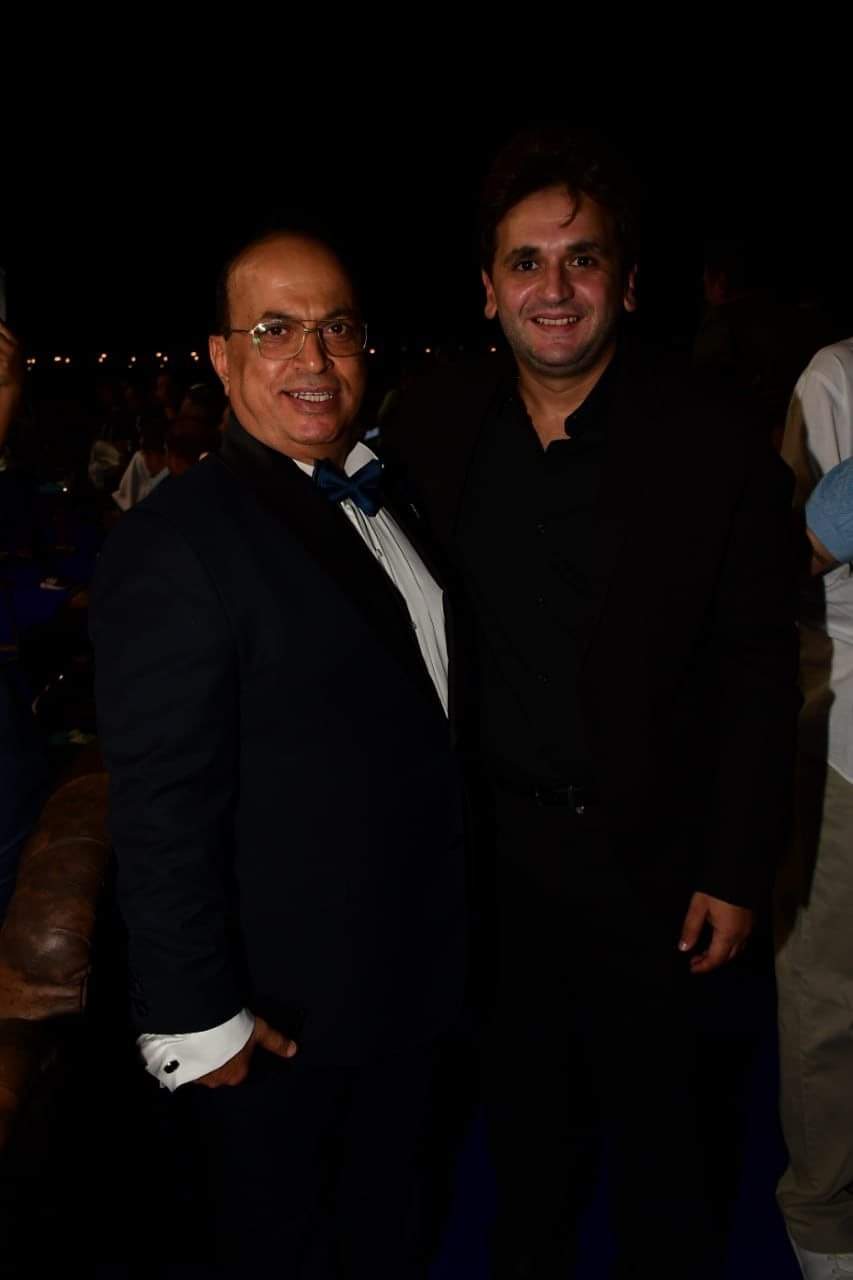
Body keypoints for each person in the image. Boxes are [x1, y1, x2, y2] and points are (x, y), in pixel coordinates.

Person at [382, 126, 799, 1279]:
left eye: (582, 258)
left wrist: (735, 863)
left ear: (626, 280)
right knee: (524, 1154)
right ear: (487, 288)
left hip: (661, 867)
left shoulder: (714, 437)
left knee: (672, 1160)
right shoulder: (431, 425)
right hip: (495, 864)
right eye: (526, 261)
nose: (553, 288)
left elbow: (759, 664)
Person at [90, 229, 466, 1276]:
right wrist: (198, 1018)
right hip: (284, 1018)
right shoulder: (177, 540)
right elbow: (159, 807)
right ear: (220, 357)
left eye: (335, 328)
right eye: (274, 330)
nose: (313, 358)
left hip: (407, 979)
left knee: (395, 1227)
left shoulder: (385, 491)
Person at [776, 338, 853, 1280]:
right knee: (829, 994)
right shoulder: (836, 377)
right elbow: (778, 565)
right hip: (847, 735)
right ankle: (824, 1220)